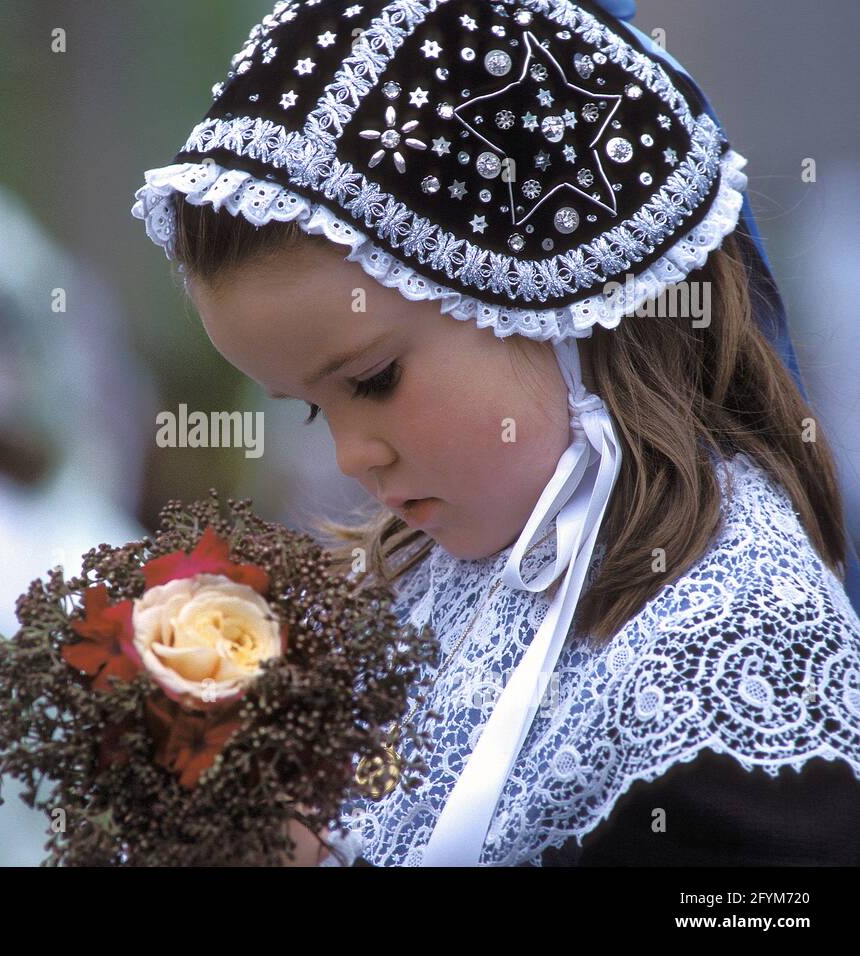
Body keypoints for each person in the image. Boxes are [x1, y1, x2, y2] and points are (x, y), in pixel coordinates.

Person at [130, 0, 860, 865]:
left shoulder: (735, 647)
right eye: (314, 408)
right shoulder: (418, 583)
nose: (352, 456)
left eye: (374, 380)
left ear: (551, 296)